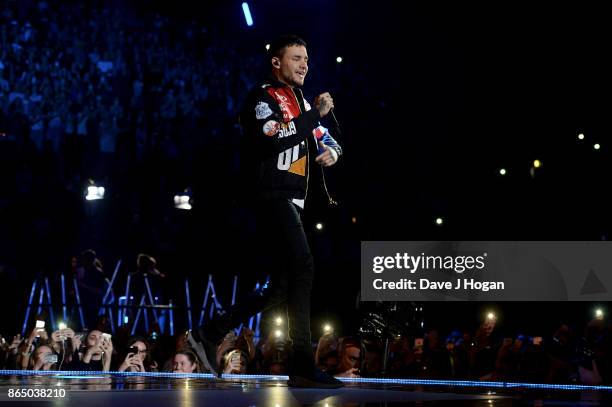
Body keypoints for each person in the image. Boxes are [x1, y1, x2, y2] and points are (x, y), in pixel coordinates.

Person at [188, 34, 343, 388]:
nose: (305, 64)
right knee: (304, 265)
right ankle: (303, 365)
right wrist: (313, 116)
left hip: (293, 200)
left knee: (280, 289)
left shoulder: (303, 101)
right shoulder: (261, 97)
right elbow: (274, 138)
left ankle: (208, 333)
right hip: (270, 195)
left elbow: (327, 138)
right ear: (277, 62)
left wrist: (333, 152)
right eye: (297, 58)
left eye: (307, 58)